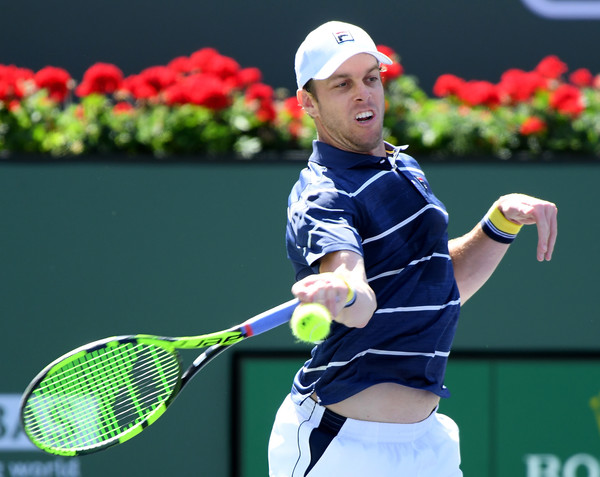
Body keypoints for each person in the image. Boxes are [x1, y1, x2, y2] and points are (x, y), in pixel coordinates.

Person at [268, 20, 558, 477]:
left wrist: (499, 222)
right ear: (308, 102)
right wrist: (341, 291)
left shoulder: (402, 166)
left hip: (427, 444)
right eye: (341, 84)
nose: (364, 93)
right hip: (341, 446)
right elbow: (357, 298)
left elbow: (441, 286)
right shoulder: (323, 195)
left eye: (370, 78)